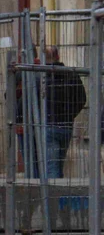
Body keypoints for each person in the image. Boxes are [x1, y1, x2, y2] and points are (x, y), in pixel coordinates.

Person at [38, 46, 86, 178]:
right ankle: (59, 194)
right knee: (59, 163)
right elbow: (82, 99)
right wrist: (70, 115)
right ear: (58, 56)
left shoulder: (41, 77)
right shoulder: (71, 74)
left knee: (52, 166)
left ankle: (53, 197)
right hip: (66, 126)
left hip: (48, 125)